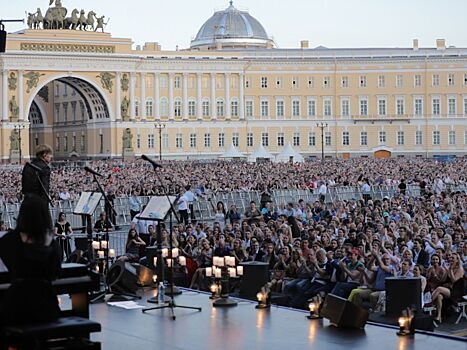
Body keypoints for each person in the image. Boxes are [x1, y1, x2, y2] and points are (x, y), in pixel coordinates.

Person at [0, 195, 61, 325]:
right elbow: (55, 274)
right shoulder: (52, 244)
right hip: (46, 305)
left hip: (16, 303)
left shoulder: (7, 241)